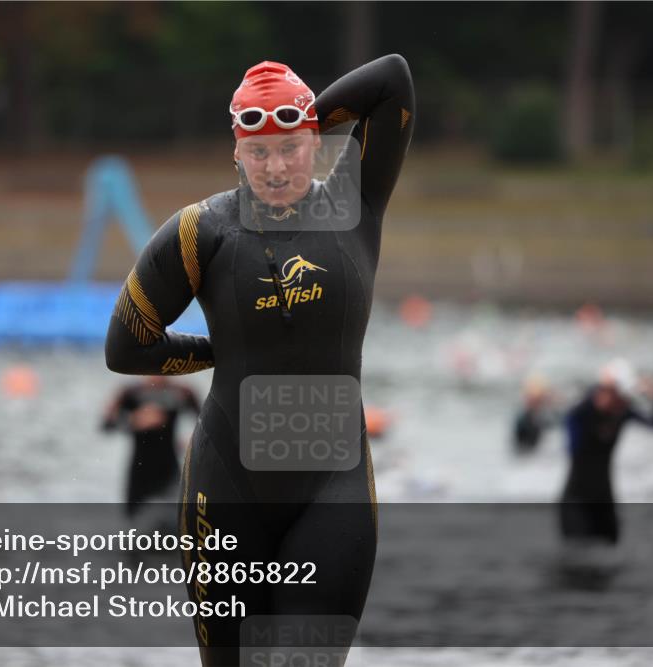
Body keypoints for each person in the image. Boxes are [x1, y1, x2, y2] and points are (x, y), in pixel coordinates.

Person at [106, 55, 414, 665]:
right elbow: (127, 346)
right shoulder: (201, 231)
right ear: (237, 154)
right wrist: (214, 353)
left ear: (315, 143)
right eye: (258, 152)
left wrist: (299, 114)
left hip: (333, 489)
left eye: (292, 148)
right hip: (227, 487)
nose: (275, 167)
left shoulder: (355, 204)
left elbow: (393, 80)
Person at [559, 358, 653, 545]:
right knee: (581, 556)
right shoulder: (580, 414)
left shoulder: (623, 411)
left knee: (612, 552)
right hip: (576, 500)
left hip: (604, 497)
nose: (622, 403)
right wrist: (594, 404)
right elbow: (572, 446)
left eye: (625, 399)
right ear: (604, 391)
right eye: (618, 397)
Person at [101, 376, 201, 517]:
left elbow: (206, 421)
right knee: (136, 524)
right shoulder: (131, 393)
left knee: (174, 520)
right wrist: (134, 420)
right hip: (139, 472)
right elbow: (106, 425)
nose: (155, 375)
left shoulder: (180, 392)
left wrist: (193, 441)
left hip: (169, 469)